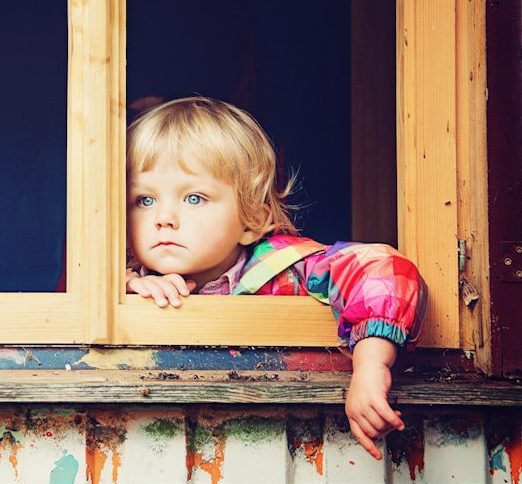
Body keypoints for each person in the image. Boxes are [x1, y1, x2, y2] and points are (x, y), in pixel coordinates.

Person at [125, 96, 428, 461]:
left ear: (253, 218)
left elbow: (385, 267)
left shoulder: (289, 267)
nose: (164, 218)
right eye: (144, 200)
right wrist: (124, 287)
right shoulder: (119, 280)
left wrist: (370, 364)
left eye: (193, 198)